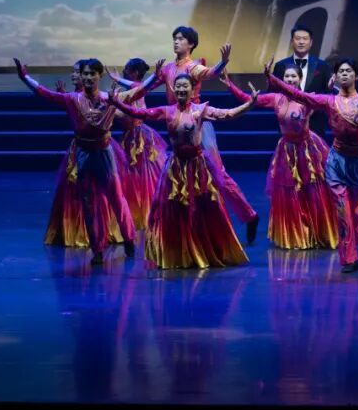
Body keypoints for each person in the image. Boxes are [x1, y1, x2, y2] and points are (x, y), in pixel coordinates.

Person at [267, 55, 358, 273]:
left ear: (356, 76)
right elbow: (299, 94)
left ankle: (354, 239)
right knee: (342, 212)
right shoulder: (329, 101)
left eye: (348, 71)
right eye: (341, 71)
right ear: (335, 77)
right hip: (336, 162)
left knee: (354, 212)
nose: (344, 74)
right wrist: (272, 79)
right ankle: (349, 258)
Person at [109, 76, 256, 269]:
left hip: (197, 167)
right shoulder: (167, 111)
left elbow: (227, 114)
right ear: (173, 89)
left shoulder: (200, 110)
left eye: (185, 86)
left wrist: (249, 104)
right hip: (176, 167)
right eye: (177, 86)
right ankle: (179, 251)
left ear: (192, 89)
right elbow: (140, 113)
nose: (180, 90)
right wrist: (116, 103)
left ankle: (205, 248)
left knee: (203, 208)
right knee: (173, 208)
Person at [141, 26, 260, 243]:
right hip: (177, 123)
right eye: (174, 38)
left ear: (191, 44)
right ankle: (187, 232)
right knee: (176, 179)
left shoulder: (192, 67)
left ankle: (249, 215)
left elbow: (211, 73)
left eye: (181, 39)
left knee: (218, 175)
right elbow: (144, 87)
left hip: (197, 125)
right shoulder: (167, 69)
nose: (176, 42)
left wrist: (223, 62)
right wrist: (121, 91)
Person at [15, 57, 136, 265]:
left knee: (116, 198)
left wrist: (155, 79)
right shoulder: (72, 99)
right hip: (83, 153)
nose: (88, 77)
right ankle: (97, 249)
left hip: (105, 153)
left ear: (99, 76)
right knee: (88, 203)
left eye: (92, 74)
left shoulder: (108, 98)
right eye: (85, 74)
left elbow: (138, 92)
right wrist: (25, 77)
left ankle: (129, 239)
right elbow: (45, 93)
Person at [222, 67, 338, 250]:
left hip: (308, 150)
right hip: (287, 151)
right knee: (290, 193)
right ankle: (297, 234)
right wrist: (230, 85)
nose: (290, 79)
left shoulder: (307, 98)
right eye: (287, 76)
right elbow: (247, 99)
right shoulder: (275, 98)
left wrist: (331, 89)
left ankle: (317, 232)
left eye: (293, 76)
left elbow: (329, 103)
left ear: (300, 79)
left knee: (312, 191)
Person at [110, 57, 169, 230]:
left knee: (141, 174)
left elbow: (129, 112)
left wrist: (113, 106)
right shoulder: (131, 90)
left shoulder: (137, 88)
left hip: (138, 137)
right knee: (132, 174)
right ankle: (131, 209)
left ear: (135, 73)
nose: (124, 71)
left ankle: (144, 210)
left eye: (127, 69)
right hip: (130, 135)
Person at [271, 25, 331, 137]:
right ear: (291, 42)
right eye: (298, 38)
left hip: (315, 125)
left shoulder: (322, 66)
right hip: (287, 126)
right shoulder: (280, 66)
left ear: (311, 42)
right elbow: (273, 93)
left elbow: (328, 95)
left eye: (305, 39)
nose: (301, 42)